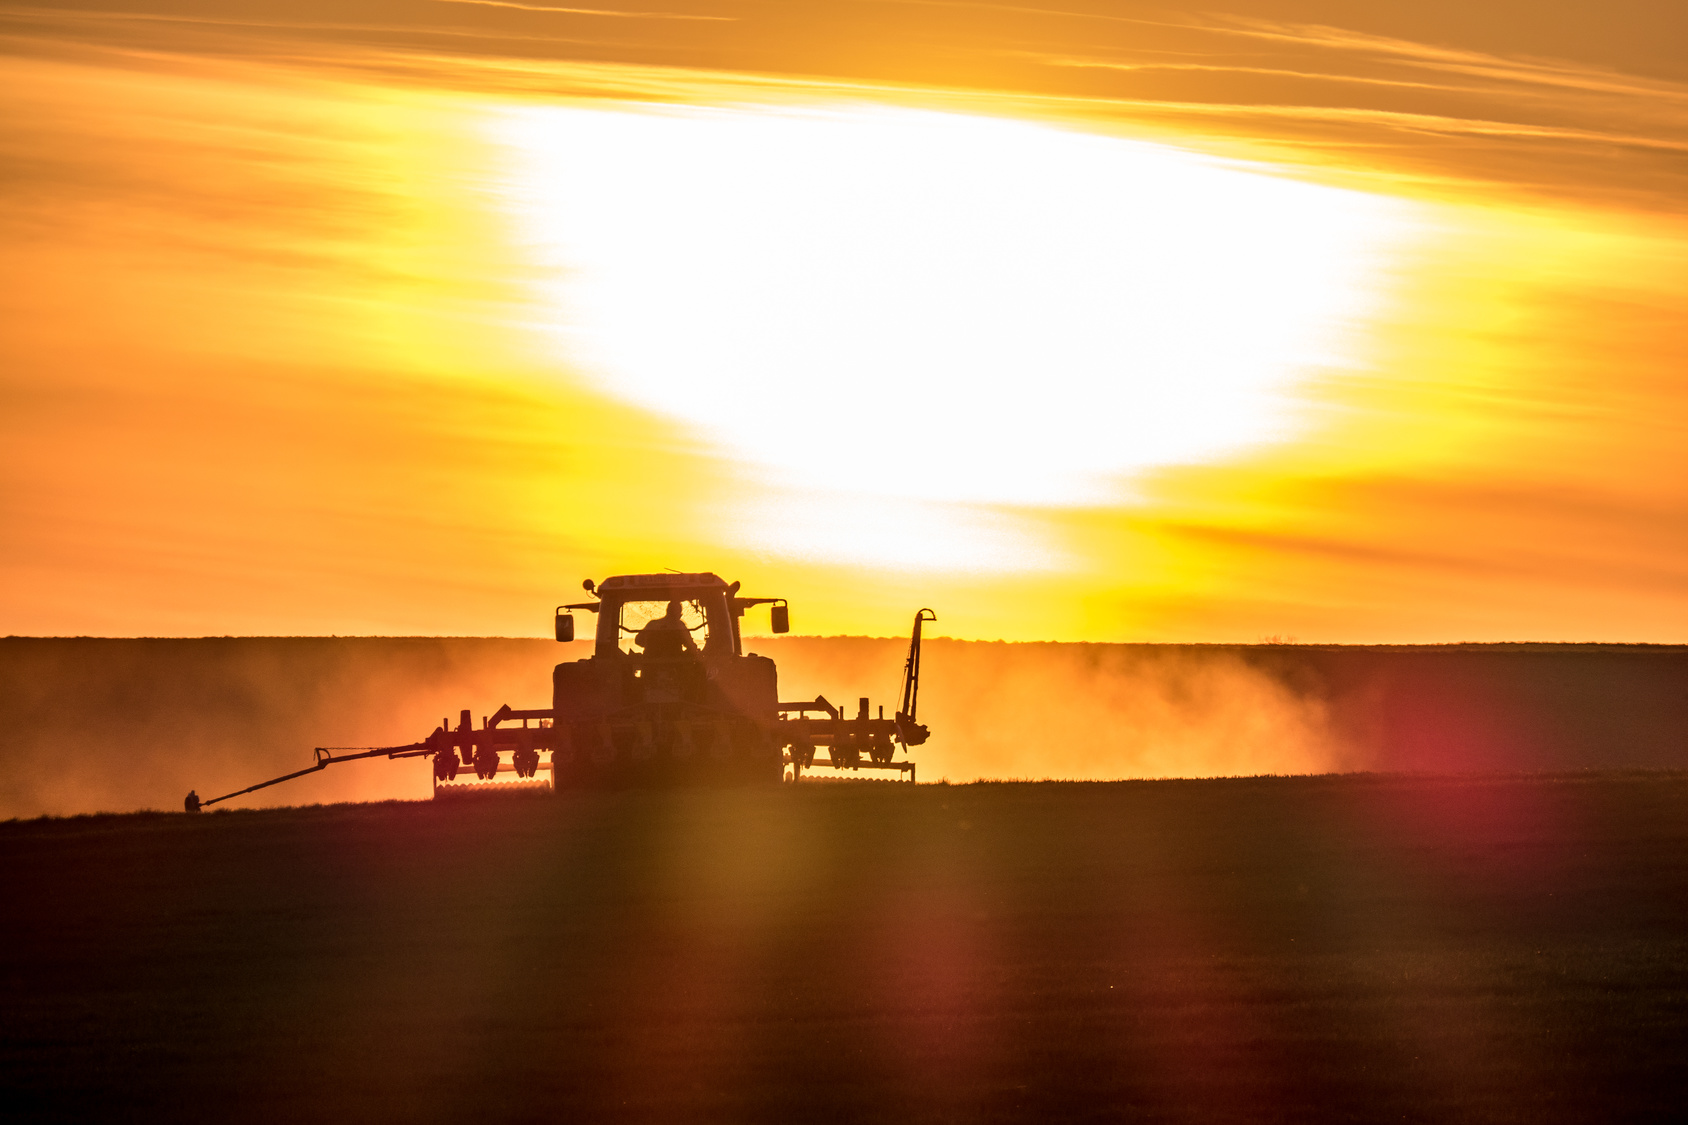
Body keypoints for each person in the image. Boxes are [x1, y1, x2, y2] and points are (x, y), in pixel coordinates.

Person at [635, 600, 699, 659]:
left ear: (667, 611)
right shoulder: (680, 626)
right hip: (674, 665)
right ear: (679, 614)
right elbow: (690, 645)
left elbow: (638, 640)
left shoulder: (652, 624)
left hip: (652, 665)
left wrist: (653, 647)